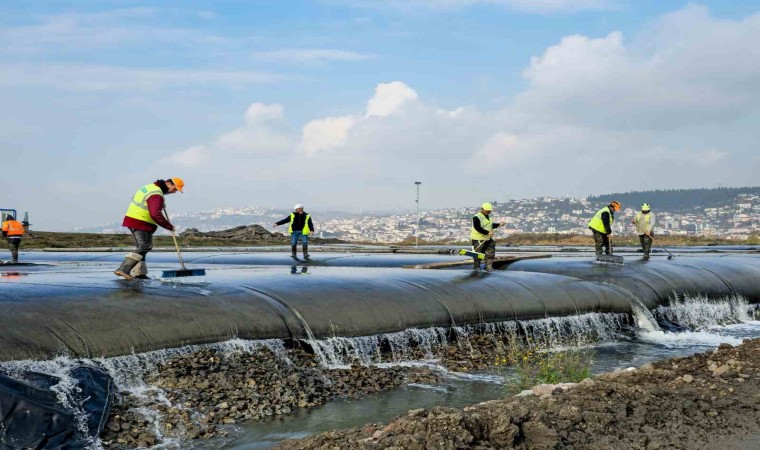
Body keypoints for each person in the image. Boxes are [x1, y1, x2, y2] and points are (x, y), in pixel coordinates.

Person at [114, 178, 184, 280]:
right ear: (168, 183)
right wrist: (169, 226)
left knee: (143, 247)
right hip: (140, 221)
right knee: (144, 246)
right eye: (174, 188)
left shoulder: (150, 187)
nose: (174, 192)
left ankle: (139, 273)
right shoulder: (156, 195)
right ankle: (123, 269)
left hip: (134, 219)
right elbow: (155, 214)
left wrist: (158, 204)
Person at [470, 202, 502, 271]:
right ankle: (476, 268)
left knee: (490, 254)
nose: (488, 212)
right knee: (478, 255)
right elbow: (477, 227)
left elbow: (490, 225)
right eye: (486, 210)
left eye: (489, 211)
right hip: (478, 239)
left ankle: (489, 268)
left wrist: (499, 224)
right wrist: (487, 232)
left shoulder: (488, 217)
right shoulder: (476, 217)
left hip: (488, 239)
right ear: (482, 209)